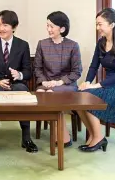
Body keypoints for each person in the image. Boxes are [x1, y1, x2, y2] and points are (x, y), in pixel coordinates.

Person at [78, 8, 115, 152]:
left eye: (100, 24)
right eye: (97, 24)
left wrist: (96, 85)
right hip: (108, 85)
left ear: (112, 25)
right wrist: (87, 82)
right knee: (78, 97)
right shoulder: (101, 43)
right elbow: (93, 66)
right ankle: (94, 134)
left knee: (91, 97)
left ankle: (98, 138)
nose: (98, 28)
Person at [0, 10, 38, 154]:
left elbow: (28, 72)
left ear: (14, 27)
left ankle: (26, 138)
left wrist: (19, 74)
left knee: (22, 91)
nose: (1, 28)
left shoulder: (23, 45)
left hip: (15, 84)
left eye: (5, 25)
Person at [34, 11, 82, 148]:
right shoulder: (42, 44)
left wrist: (59, 82)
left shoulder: (73, 45)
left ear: (62, 29)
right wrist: (43, 82)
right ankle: (60, 131)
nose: (48, 29)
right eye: (47, 26)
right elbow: (37, 68)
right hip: (46, 84)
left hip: (66, 84)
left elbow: (77, 71)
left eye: (52, 26)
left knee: (50, 94)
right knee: (42, 93)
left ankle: (63, 135)